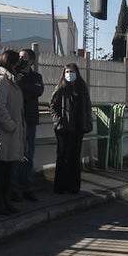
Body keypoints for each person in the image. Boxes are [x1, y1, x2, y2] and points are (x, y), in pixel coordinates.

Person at [0, 49, 26, 216]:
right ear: (10, 63)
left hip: (12, 135)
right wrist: (11, 126)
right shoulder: (1, 80)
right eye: (17, 62)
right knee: (1, 170)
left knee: (8, 170)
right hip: (3, 134)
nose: (20, 65)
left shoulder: (12, 82)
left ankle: (5, 200)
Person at [50, 62, 93, 194]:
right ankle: (60, 186)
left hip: (78, 127)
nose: (69, 74)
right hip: (63, 128)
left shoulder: (82, 88)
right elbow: (53, 107)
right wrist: (59, 121)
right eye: (67, 72)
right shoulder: (60, 88)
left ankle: (74, 186)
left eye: (72, 71)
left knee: (75, 157)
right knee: (62, 156)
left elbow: (87, 107)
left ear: (77, 73)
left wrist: (86, 121)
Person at [14, 49, 44, 202]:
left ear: (31, 61)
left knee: (28, 154)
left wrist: (22, 86)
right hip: (15, 119)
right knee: (14, 154)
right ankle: (15, 188)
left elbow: (37, 90)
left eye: (24, 57)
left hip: (29, 119)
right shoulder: (14, 75)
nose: (21, 60)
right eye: (20, 57)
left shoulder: (36, 77)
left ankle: (27, 187)